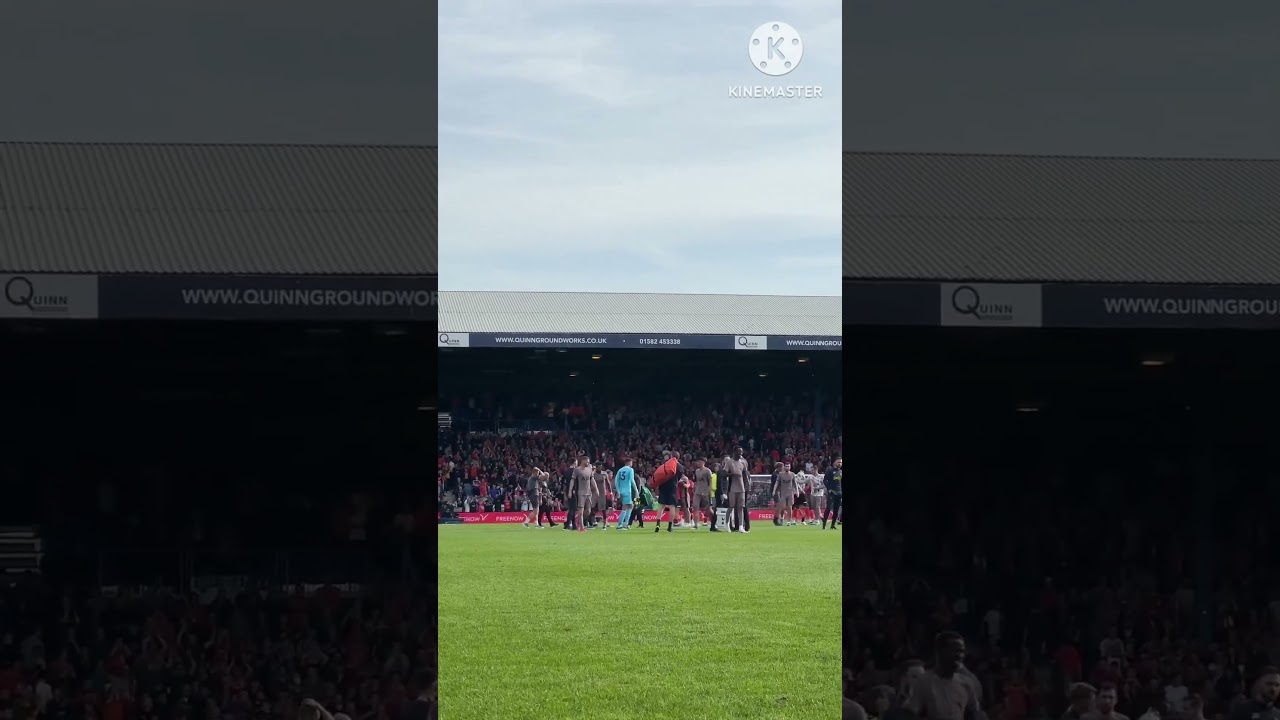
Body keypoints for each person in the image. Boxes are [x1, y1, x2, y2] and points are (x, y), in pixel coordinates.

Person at [903, 632, 980, 720]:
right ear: (939, 652)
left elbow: (974, 712)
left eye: (961, 651)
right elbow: (910, 714)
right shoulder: (923, 681)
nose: (959, 655)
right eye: (954, 650)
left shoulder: (966, 683)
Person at [722, 447, 750, 533]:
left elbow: (745, 474)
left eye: (741, 452)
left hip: (741, 488)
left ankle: (741, 526)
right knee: (731, 506)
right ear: (734, 452)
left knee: (741, 507)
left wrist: (747, 487)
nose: (740, 454)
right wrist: (731, 474)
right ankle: (726, 524)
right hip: (732, 487)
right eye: (739, 452)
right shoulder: (729, 462)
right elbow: (724, 473)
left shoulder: (743, 462)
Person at [653, 452, 683, 533]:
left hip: (663, 486)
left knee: (661, 506)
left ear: (671, 456)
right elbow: (678, 478)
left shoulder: (666, 464)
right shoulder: (680, 467)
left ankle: (658, 524)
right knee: (672, 506)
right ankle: (670, 527)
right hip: (673, 487)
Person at [573, 455, 598, 534]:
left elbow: (592, 479)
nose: (588, 463)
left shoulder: (589, 470)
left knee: (588, 511)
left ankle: (579, 520)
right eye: (587, 461)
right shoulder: (577, 470)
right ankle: (582, 527)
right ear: (583, 461)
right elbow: (573, 481)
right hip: (580, 492)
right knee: (581, 510)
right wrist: (571, 490)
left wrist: (596, 489)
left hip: (588, 492)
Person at [615, 457, 638, 530]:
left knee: (630, 506)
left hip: (621, 490)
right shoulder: (630, 470)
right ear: (629, 463)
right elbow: (632, 480)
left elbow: (616, 481)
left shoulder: (620, 470)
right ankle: (620, 525)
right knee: (625, 507)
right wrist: (636, 490)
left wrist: (618, 491)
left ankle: (626, 524)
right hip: (628, 491)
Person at [774, 461, 798, 526]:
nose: (787, 467)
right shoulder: (781, 474)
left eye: (788, 466)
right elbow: (777, 483)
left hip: (790, 492)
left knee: (790, 507)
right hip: (783, 492)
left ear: (790, 467)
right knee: (782, 506)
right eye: (786, 466)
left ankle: (789, 521)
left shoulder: (792, 474)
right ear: (784, 467)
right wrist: (774, 490)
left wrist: (797, 491)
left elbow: (795, 483)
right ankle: (781, 518)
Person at [692, 458, 712, 530]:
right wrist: (694, 488)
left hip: (705, 492)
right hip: (697, 492)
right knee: (695, 507)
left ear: (703, 462)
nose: (698, 463)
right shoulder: (697, 471)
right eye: (697, 461)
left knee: (708, 508)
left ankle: (713, 522)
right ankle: (696, 524)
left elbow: (710, 482)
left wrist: (708, 491)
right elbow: (696, 481)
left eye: (699, 461)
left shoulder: (707, 471)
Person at [822, 457, 842, 530]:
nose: (840, 464)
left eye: (841, 462)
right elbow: (825, 480)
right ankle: (824, 525)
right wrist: (829, 489)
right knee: (828, 508)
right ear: (835, 463)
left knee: (836, 509)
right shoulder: (830, 470)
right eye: (838, 462)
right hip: (832, 492)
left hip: (839, 492)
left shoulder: (840, 472)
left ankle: (833, 525)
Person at [593, 464, 611, 529]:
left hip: (602, 493)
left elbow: (608, 483)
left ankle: (605, 523)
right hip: (594, 493)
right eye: (598, 467)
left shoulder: (604, 474)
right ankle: (593, 522)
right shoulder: (593, 474)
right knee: (593, 508)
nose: (599, 468)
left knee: (603, 509)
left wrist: (610, 491)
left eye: (600, 467)